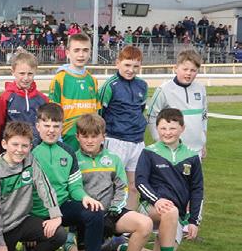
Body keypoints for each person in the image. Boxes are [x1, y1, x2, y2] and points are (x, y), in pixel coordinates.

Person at [29, 103, 108, 251]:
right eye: (46, 125)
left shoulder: (68, 152)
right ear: (38, 126)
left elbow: (74, 186)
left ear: (62, 127)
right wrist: (29, 222)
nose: (51, 130)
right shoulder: (29, 151)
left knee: (93, 212)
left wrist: (85, 197)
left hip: (62, 207)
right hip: (38, 211)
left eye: (56, 126)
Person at [69, 114, 152, 251]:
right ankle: (69, 244)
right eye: (85, 136)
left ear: (103, 137)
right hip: (88, 218)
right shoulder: (73, 160)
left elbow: (122, 187)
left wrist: (114, 211)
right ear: (77, 137)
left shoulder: (113, 159)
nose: (90, 141)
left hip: (112, 213)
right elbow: (72, 190)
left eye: (94, 136)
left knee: (145, 223)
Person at [0, 121, 66, 251]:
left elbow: (44, 187)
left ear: (30, 146)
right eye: (15, 144)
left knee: (59, 234)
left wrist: (56, 215)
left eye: (24, 146)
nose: (20, 150)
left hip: (22, 220)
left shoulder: (30, 160)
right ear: (4, 144)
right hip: (3, 227)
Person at [134, 108, 204, 251]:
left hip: (176, 214)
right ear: (157, 128)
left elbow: (197, 190)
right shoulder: (149, 152)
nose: (167, 132)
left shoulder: (191, 156)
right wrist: (157, 200)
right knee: (169, 210)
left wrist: (193, 221)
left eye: (172, 128)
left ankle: (119, 246)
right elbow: (140, 182)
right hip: (150, 207)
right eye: (163, 128)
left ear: (182, 128)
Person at [98, 45, 148, 210]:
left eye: (135, 66)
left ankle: (129, 221)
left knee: (133, 186)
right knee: (112, 185)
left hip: (137, 142)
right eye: (127, 65)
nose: (131, 70)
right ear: (117, 63)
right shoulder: (110, 86)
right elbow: (99, 114)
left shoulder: (142, 85)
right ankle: (108, 222)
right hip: (116, 140)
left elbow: (140, 110)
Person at [146, 49, 208, 159]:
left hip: (196, 151)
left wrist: (203, 142)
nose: (188, 73)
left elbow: (203, 117)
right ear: (176, 68)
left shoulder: (201, 88)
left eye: (193, 70)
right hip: (172, 151)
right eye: (185, 69)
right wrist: (159, 140)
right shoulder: (163, 90)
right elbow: (151, 116)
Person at [48, 32, 99, 150]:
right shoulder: (59, 79)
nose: (81, 55)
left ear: (90, 52)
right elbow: (53, 113)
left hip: (89, 137)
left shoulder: (92, 80)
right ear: (67, 53)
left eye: (85, 50)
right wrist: (57, 137)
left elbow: (96, 112)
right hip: (67, 137)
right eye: (76, 50)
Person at [0, 51, 48, 145]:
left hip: (37, 149)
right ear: (13, 72)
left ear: (35, 72)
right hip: (14, 150)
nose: (26, 78)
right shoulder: (5, 98)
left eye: (30, 74)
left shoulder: (43, 99)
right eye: (22, 73)